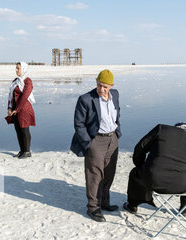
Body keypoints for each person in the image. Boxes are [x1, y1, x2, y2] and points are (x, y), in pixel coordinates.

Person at [70, 69, 121, 222]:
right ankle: (93, 208)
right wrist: (89, 144)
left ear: (111, 86)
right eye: (99, 85)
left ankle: (105, 202)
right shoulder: (85, 99)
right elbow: (78, 124)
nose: (101, 89)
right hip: (96, 141)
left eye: (105, 86)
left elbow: (118, 114)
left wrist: (118, 132)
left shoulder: (116, 95)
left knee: (109, 173)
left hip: (113, 139)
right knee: (94, 175)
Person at [123, 122, 186, 217]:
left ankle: (132, 205)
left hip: (152, 180)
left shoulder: (162, 130)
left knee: (135, 173)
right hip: (181, 186)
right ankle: (184, 208)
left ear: (174, 129)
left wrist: (141, 166)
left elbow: (140, 147)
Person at [7, 62, 36, 159]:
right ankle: (22, 150)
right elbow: (10, 95)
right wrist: (9, 108)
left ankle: (27, 151)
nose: (16, 70)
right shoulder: (15, 81)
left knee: (24, 130)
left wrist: (17, 109)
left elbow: (24, 96)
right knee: (18, 130)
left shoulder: (28, 81)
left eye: (18, 68)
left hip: (24, 109)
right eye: (16, 68)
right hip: (15, 109)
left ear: (23, 69)